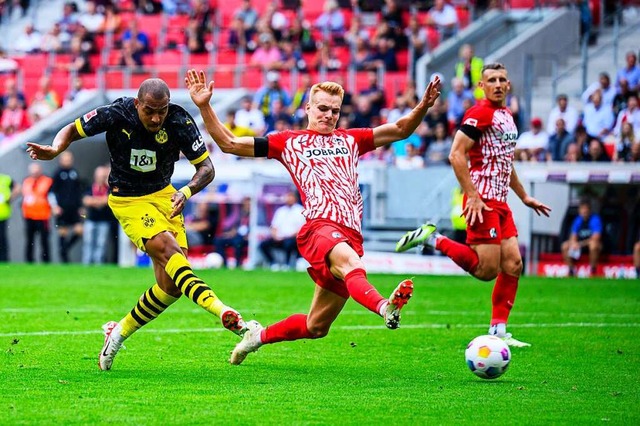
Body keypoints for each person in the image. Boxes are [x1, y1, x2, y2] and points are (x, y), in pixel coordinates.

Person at [185, 68, 441, 365]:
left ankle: (257, 337)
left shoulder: (352, 140)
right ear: (308, 108)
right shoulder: (288, 142)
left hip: (350, 235)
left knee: (316, 326)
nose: (329, 115)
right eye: (322, 108)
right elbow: (230, 143)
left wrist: (422, 106)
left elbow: (399, 130)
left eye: (334, 110)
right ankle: (386, 307)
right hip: (319, 228)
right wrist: (204, 105)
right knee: (352, 264)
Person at [26, 78, 248, 371]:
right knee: (170, 252)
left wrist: (186, 191)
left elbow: (207, 168)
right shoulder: (117, 114)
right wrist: (55, 148)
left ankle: (117, 333)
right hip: (128, 200)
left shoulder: (179, 119)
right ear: (137, 104)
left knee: (170, 287)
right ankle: (226, 314)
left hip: (166, 196)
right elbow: (72, 128)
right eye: (150, 111)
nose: (156, 118)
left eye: (162, 110)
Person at [396, 63, 551, 348]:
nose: (498, 84)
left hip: (500, 203)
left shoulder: (506, 116)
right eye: (491, 80)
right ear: (482, 86)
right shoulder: (479, 114)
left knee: (513, 264)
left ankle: (499, 330)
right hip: (481, 201)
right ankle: (433, 238)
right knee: (486, 270)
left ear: (508, 85)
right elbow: (456, 155)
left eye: (502, 79)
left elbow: (505, 162)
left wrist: (524, 197)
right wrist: (474, 195)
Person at [258, 190, 305, 271]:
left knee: (288, 243)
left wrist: (290, 236)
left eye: (291, 197)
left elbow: (302, 228)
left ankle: (287, 265)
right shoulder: (280, 210)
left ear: (295, 198)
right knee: (263, 245)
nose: (289, 199)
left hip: (293, 238)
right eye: (287, 196)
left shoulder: (300, 210)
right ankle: (273, 263)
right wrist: (275, 236)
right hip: (279, 237)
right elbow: (274, 226)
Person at [50, 151, 84, 263]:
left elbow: (78, 191)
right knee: (63, 232)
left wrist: (80, 206)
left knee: (79, 231)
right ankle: (64, 258)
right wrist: (54, 206)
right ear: (61, 160)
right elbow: (51, 192)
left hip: (74, 209)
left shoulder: (74, 173)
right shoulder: (57, 173)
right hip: (62, 209)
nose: (68, 161)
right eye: (65, 159)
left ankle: (65, 249)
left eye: (69, 159)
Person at [561, 198, 602, 277]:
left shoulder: (595, 219)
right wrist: (573, 243)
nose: (584, 211)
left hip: (591, 245)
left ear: (589, 210)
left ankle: (593, 270)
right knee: (565, 246)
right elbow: (573, 236)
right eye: (582, 208)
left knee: (593, 245)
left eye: (586, 208)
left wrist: (579, 244)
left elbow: (596, 238)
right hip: (580, 245)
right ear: (579, 210)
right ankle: (571, 270)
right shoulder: (577, 220)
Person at [21, 163, 53, 263]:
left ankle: (46, 261)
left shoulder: (47, 181)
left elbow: (51, 196)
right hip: (29, 215)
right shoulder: (27, 181)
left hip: (42, 215)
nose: (34, 172)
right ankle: (29, 261)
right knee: (29, 240)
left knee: (44, 240)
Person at [82, 165, 113, 265]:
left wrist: (94, 201)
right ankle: (86, 263)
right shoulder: (90, 187)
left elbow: (108, 200)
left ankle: (98, 264)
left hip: (104, 220)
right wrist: (100, 201)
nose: (101, 177)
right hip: (91, 220)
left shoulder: (109, 189)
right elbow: (86, 200)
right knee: (88, 242)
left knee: (101, 243)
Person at [213, 196, 251, 268]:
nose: (247, 206)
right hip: (235, 235)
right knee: (218, 240)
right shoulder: (238, 213)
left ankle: (238, 264)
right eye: (246, 204)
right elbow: (229, 224)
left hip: (246, 238)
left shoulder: (255, 215)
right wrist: (231, 232)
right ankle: (224, 264)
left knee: (238, 242)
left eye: (249, 204)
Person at [0, 173, 20, 262]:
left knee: (2, 238)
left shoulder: (5, 179)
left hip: (3, 214)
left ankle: (4, 259)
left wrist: (10, 198)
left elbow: (18, 187)